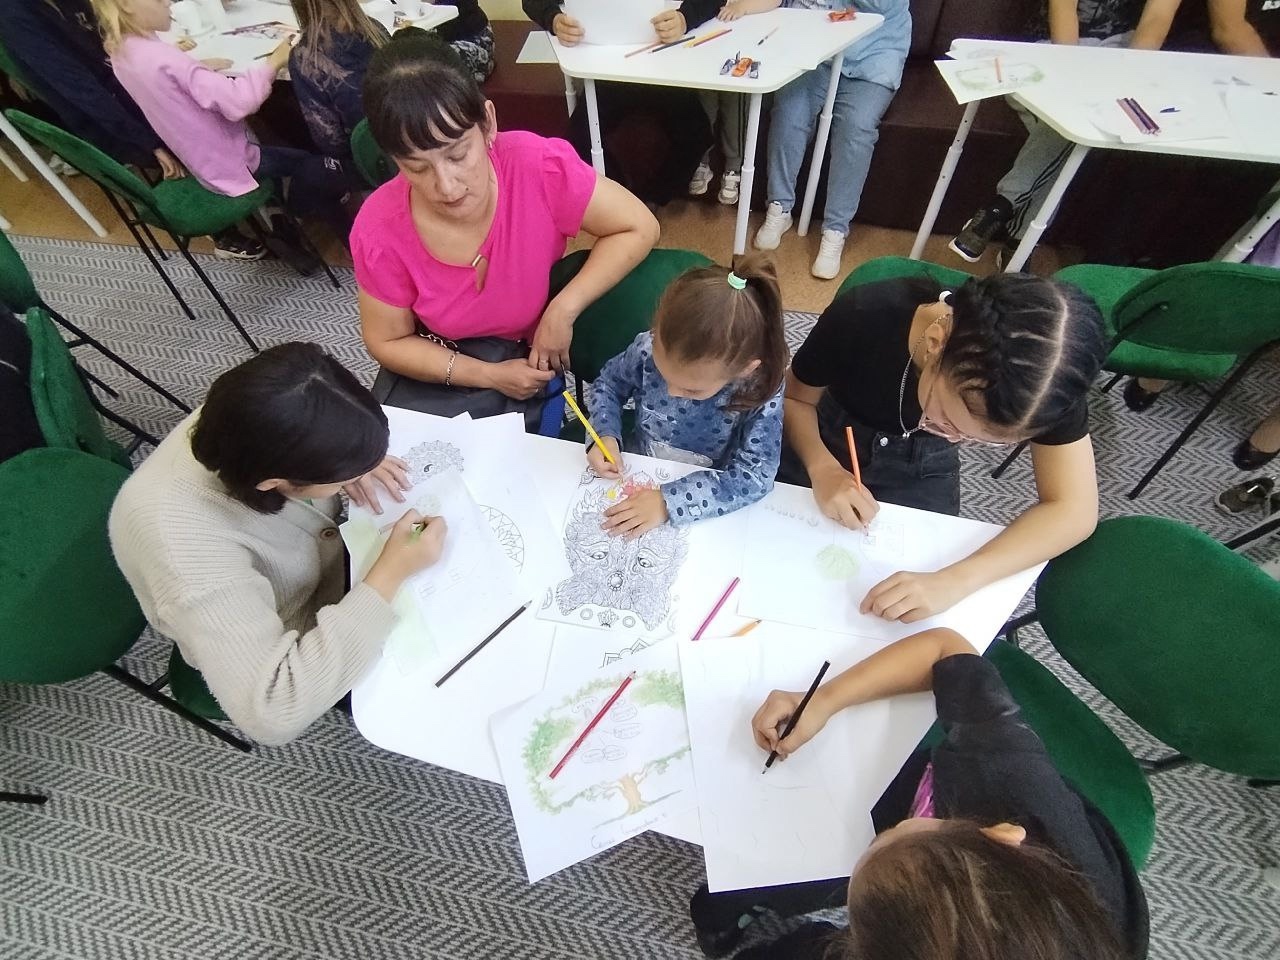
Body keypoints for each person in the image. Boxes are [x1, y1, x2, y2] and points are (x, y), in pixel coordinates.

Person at [689, 627, 1149, 960]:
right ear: (1003, 834)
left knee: (790, 889)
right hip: (967, 793)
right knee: (774, 878)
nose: (880, 836)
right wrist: (824, 700)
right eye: (897, 836)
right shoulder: (1015, 784)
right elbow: (945, 649)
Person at [109, 343, 446, 746]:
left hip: (321, 566)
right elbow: (273, 713)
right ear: (274, 482)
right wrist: (389, 574)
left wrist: (355, 452)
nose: (357, 476)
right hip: (290, 624)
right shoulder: (186, 553)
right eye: (344, 477)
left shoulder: (250, 419)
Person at [351, 40, 659, 425]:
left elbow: (639, 226)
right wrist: (488, 375)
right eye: (417, 168)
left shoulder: (536, 167)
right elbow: (388, 340)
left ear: (488, 123)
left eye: (457, 155)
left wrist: (563, 307)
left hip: (529, 361)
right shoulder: (380, 227)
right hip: (445, 368)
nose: (446, 186)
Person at [780, 269, 1106, 622]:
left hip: (924, 458)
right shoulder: (867, 313)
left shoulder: (1044, 384)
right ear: (935, 343)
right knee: (783, 556)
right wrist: (821, 466)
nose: (954, 438)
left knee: (913, 602)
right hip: (829, 430)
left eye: (978, 439)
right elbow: (795, 399)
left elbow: (1075, 511)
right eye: (947, 420)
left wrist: (957, 580)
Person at [94, 0, 355, 254]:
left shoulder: (121, 52)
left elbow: (167, 85)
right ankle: (307, 221)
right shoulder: (167, 59)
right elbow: (241, 102)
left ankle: (281, 214)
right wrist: (274, 62)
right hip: (233, 163)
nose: (168, 4)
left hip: (199, 161)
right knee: (312, 165)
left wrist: (196, 69)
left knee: (277, 137)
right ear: (125, 4)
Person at [950, 0, 1186, 263]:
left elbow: (1156, 18)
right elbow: (1062, 10)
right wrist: (1073, 84)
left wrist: (1126, 77)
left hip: (1121, 56)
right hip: (1049, 51)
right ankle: (1019, 246)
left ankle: (1001, 206)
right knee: (1070, 124)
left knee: (1072, 129)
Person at [583, 255, 788, 537]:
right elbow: (609, 384)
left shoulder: (759, 386)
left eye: (693, 390)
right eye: (661, 372)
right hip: (637, 465)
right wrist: (604, 433)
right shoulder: (646, 348)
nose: (672, 393)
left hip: (708, 493)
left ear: (744, 369)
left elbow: (756, 475)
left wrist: (669, 501)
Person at [752, 0, 911, 280]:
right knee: (789, 111)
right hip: (817, 50)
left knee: (856, 128)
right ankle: (779, 206)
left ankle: (835, 230)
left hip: (875, 55)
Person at [525, 0, 718, 208]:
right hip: (609, 71)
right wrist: (554, 20)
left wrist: (684, 18)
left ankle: (652, 198)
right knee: (579, 138)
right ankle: (622, 198)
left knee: (697, 133)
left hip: (664, 68)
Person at [0, 0, 181, 177]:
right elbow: (81, 89)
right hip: (111, 123)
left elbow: (107, 28)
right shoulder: (14, 16)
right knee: (187, 121)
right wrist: (149, 143)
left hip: (122, 86)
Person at [287, 0, 389, 170]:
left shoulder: (305, 58)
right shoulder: (375, 29)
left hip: (369, 162)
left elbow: (331, 143)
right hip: (404, 146)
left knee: (305, 170)